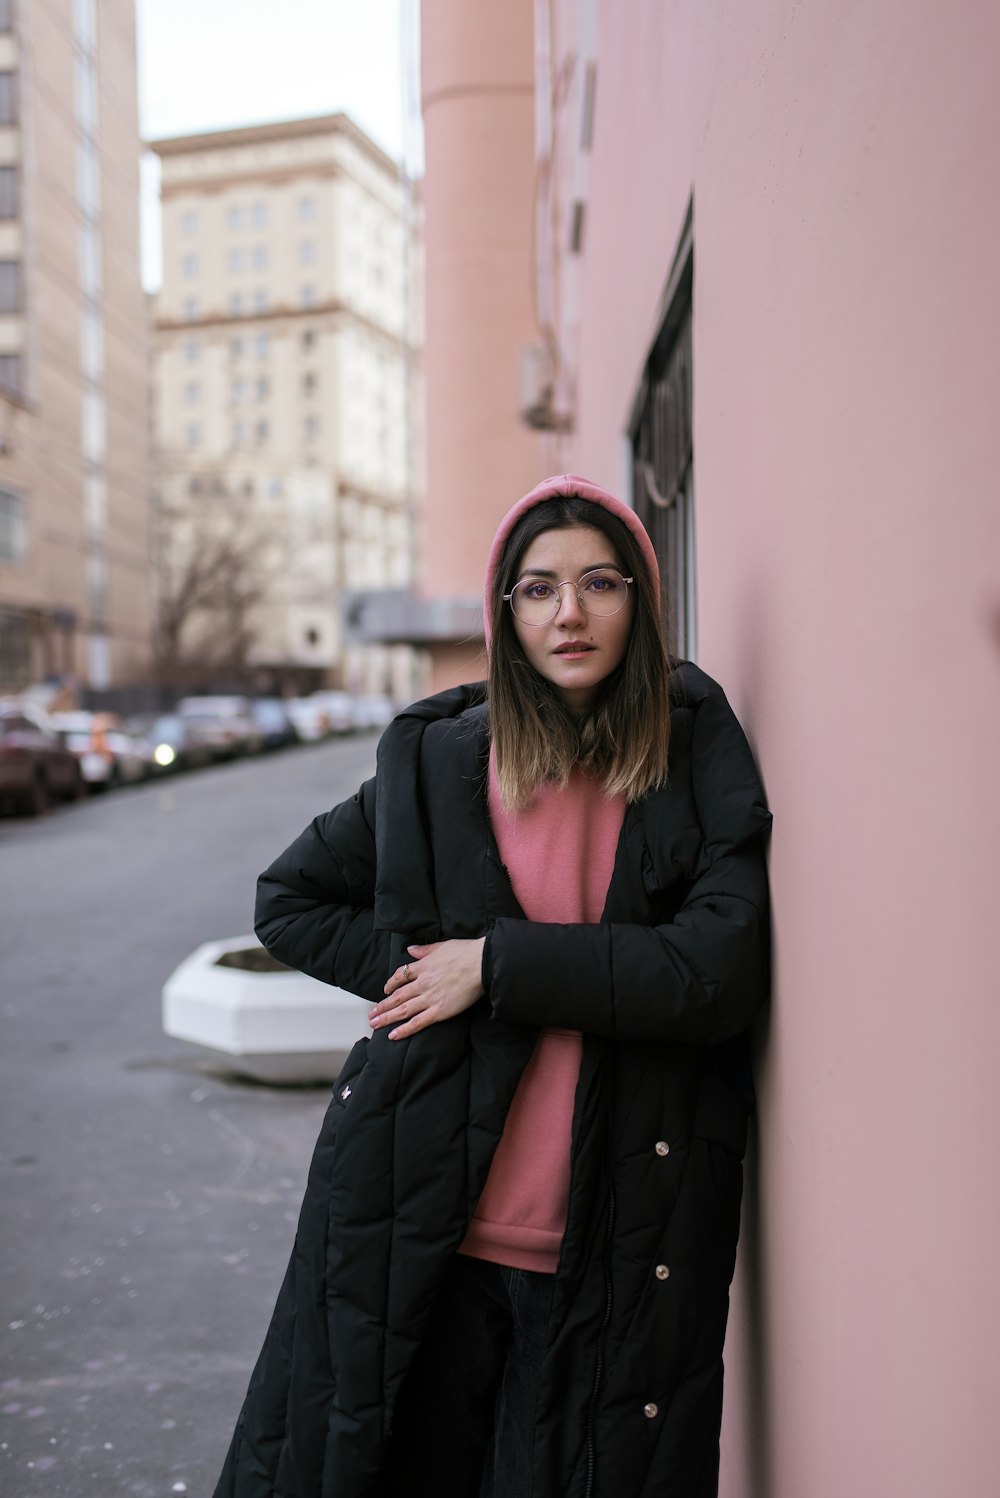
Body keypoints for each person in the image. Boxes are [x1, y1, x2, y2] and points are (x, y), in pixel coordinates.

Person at [213, 474, 772, 1498]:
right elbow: (288, 897)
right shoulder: (441, 762)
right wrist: (432, 978)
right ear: (503, 614)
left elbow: (712, 973)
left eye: (600, 582)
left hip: (609, 1239)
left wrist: (496, 965)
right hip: (421, 1223)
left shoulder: (692, 748)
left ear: (639, 603)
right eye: (537, 588)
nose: (569, 612)